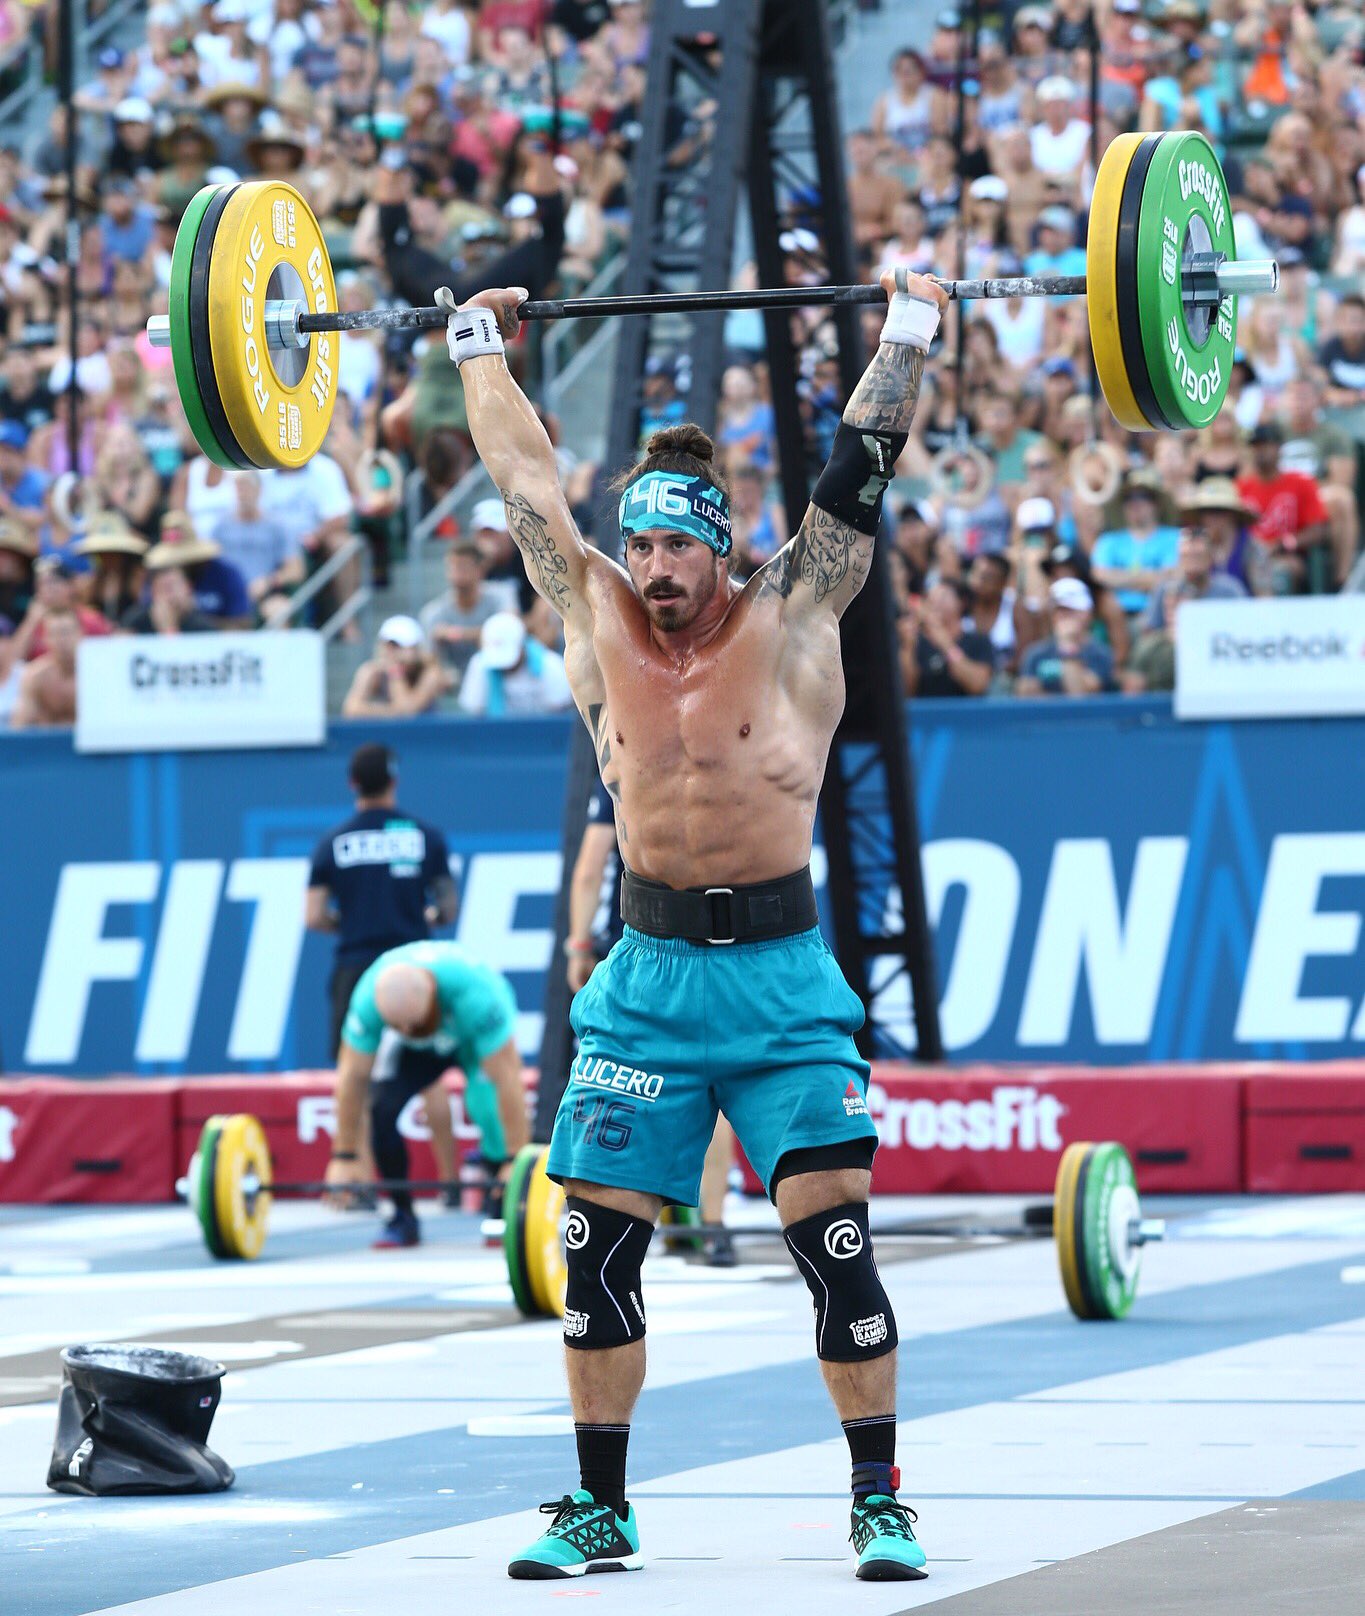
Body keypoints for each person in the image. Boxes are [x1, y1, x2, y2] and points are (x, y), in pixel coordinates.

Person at [439, 265, 946, 1581]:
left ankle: (878, 1500)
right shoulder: (592, 612)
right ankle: (599, 1508)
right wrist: (478, 345)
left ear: (722, 544)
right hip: (645, 980)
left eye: (679, 546)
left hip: (781, 983)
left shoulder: (792, 615)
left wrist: (910, 331)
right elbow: (525, 490)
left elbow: (857, 475)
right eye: (645, 545)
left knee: (835, 1246)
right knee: (594, 1261)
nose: (657, 569)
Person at [567, 770, 738, 1268]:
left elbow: (588, 870)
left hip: (641, 946)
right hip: (718, 943)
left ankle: (634, 1224)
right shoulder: (720, 764)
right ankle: (714, 1223)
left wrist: (579, 944)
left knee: (630, 1080)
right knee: (715, 1085)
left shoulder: (623, 768)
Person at [307, 744, 460, 1242]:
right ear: (393, 782)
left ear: (353, 785)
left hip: (358, 966)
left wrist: (350, 926)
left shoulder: (333, 843)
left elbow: (313, 917)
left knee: (360, 1076)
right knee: (429, 1076)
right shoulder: (424, 836)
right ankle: (450, 1184)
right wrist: (425, 920)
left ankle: (368, 1184)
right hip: (416, 966)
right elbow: (448, 908)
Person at [323, 942, 532, 1251]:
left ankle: (501, 1207)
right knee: (381, 1109)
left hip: (470, 1039)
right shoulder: (369, 998)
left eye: (415, 1024)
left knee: (485, 1106)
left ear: (432, 993)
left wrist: (516, 1157)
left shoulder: (479, 995)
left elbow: (508, 1078)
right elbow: (352, 1077)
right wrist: (344, 1155)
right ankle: (402, 1216)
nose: (408, 1028)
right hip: (417, 1050)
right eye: (398, 1025)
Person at [1090, 477, 1181, 617]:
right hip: (1118, 617)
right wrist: (1151, 579)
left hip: (1162, 615)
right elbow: (1100, 575)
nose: (1135, 503)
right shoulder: (1108, 540)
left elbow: (1173, 577)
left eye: (1144, 497)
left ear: (1157, 504)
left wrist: (1118, 579)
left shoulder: (1175, 537)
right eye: (1128, 498)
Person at [419, 536, 504, 686]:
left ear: (480, 570)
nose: (456, 573)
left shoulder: (500, 597)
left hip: (498, 675)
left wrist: (454, 633)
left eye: (463, 567)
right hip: (454, 682)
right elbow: (428, 660)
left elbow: (507, 636)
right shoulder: (433, 611)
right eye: (452, 567)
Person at [457, 609, 574, 716]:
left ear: (522, 646)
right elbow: (475, 713)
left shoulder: (551, 666)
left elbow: (560, 713)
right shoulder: (479, 665)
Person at [1014, 578, 1118, 697]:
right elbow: (1026, 695)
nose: (1063, 616)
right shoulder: (1036, 653)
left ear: (1087, 613)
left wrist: (1067, 644)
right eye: (1058, 610)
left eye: (1070, 610)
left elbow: (1079, 697)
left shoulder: (1100, 653)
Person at [342, 615, 453, 718]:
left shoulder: (430, 672)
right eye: (388, 645)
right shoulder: (371, 671)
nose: (391, 651)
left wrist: (395, 671)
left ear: (415, 648)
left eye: (397, 646)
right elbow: (351, 709)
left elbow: (406, 712)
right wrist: (390, 711)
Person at [899, 578, 994, 697]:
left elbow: (978, 685)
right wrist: (907, 648)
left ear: (962, 602)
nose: (935, 602)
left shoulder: (978, 641)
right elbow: (906, 692)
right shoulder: (917, 643)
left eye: (943, 597)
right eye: (931, 597)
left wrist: (946, 645)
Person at [11, 605, 80, 728]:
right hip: (48, 744)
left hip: (89, 745)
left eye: (66, 632)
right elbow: (19, 727)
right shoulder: (35, 677)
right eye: (54, 633)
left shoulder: (95, 675)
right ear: (45, 638)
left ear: (80, 634)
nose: (61, 640)